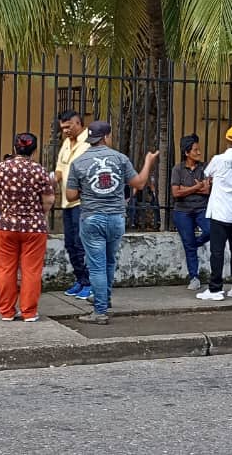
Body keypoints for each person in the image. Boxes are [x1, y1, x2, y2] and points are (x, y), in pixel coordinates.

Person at [65, 121, 158, 324]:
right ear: (106, 137)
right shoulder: (120, 159)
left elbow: (70, 195)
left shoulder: (78, 162)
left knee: (96, 266)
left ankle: (100, 311)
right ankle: (103, 299)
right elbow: (140, 183)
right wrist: (148, 161)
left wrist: (87, 189)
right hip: (116, 218)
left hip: (91, 218)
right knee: (108, 262)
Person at [0, 133, 54, 322]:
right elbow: (49, 200)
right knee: (31, 270)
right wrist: (39, 213)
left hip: (6, 226)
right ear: (34, 150)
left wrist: (4, 210)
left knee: (5, 269)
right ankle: (29, 312)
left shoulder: (0, 169)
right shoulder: (39, 170)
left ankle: (7, 311)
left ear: (15, 148)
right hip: (34, 228)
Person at [197, 126, 232, 302]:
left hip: (221, 211)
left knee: (217, 251)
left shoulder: (218, 159)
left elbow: (206, 174)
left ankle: (215, 289)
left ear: (227, 139)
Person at [54, 110, 91, 299]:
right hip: (67, 202)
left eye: (69, 126)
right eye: (63, 128)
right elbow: (59, 171)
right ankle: (80, 279)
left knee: (81, 243)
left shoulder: (90, 142)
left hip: (84, 202)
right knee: (70, 244)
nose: (66, 131)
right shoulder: (66, 144)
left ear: (78, 123)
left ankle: (89, 282)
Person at [170, 134, 211, 290]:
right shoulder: (178, 169)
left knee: (210, 230)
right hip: (182, 211)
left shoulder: (204, 168)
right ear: (187, 153)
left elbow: (207, 190)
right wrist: (196, 187)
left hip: (201, 208)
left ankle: (194, 244)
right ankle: (194, 277)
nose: (199, 152)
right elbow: (176, 193)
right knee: (188, 243)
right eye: (195, 150)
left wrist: (186, 189)